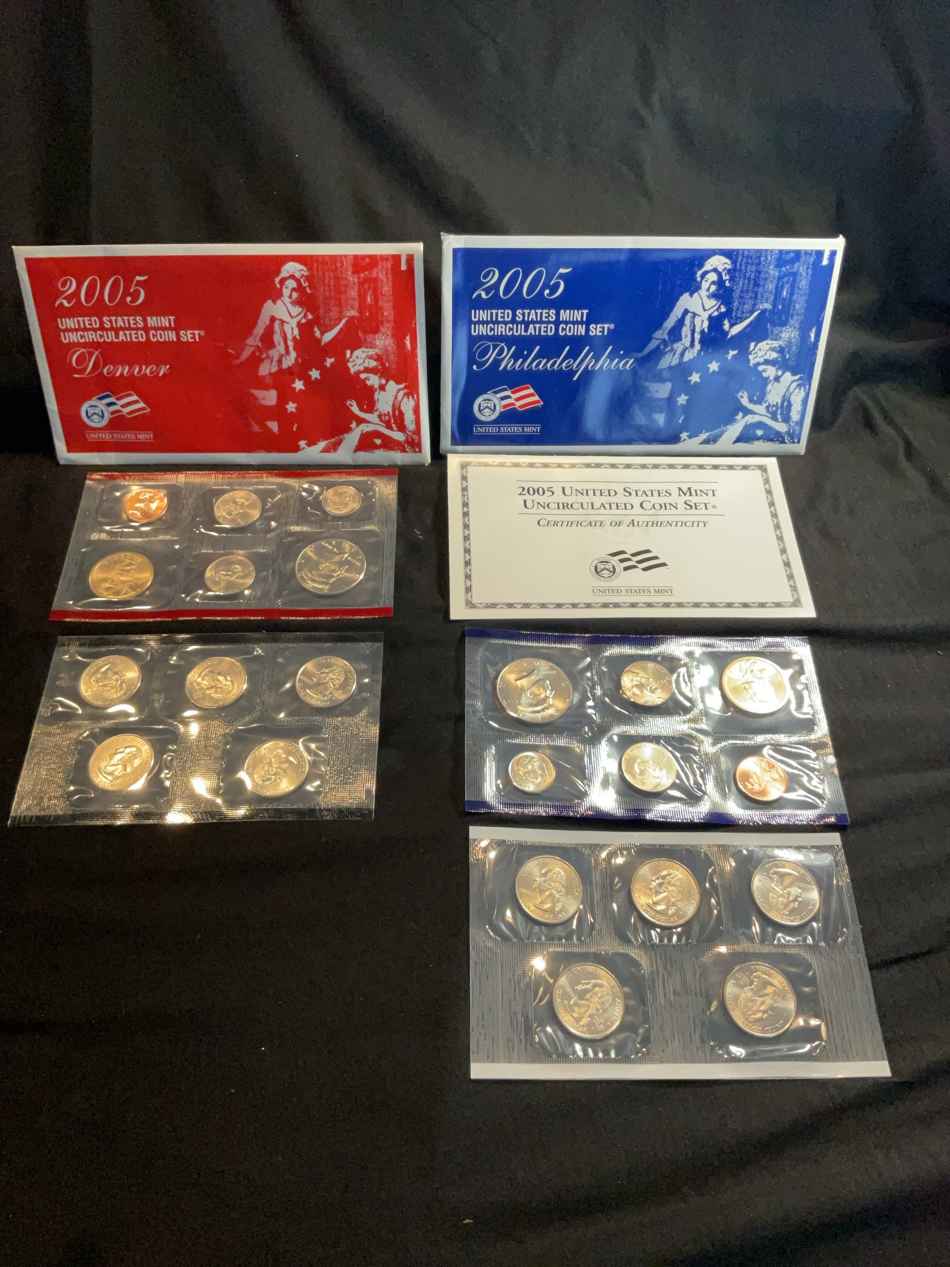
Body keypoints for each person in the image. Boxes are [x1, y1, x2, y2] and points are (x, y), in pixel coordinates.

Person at [635, 255, 767, 367]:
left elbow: (729, 333)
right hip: (681, 356)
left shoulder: (721, 308)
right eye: (706, 280)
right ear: (701, 279)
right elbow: (666, 327)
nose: (707, 286)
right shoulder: (688, 298)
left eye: (713, 283)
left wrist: (754, 315)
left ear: (720, 285)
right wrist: (643, 353)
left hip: (705, 360)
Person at [236, 261, 354, 376]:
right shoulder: (271, 307)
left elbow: (320, 341)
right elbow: (255, 336)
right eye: (286, 287)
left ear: (302, 292)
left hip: (300, 367)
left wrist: (342, 323)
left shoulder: (306, 315)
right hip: (278, 363)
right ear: (281, 285)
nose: (288, 293)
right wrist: (241, 359)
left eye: (294, 290)